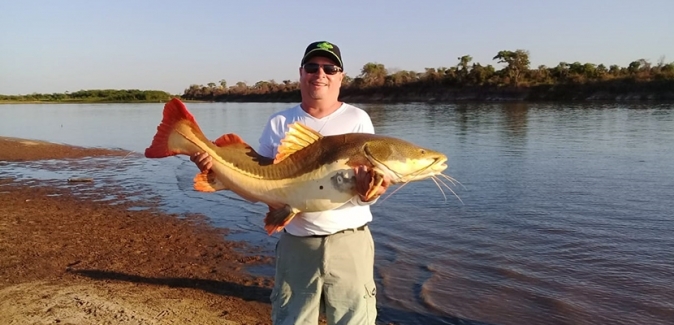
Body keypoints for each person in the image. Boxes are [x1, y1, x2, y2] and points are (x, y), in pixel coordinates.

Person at [190, 41, 390, 325]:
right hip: (297, 243)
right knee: (291, 320)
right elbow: (259, 185)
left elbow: (365, 191)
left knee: (355, 320)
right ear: (301, 73)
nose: (320, 74)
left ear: (340, 76)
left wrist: (371, 193)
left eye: (329, 68)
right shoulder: (280, 122)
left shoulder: (358, 120)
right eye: (312, 67)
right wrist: (217, 170)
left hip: (351, 242)